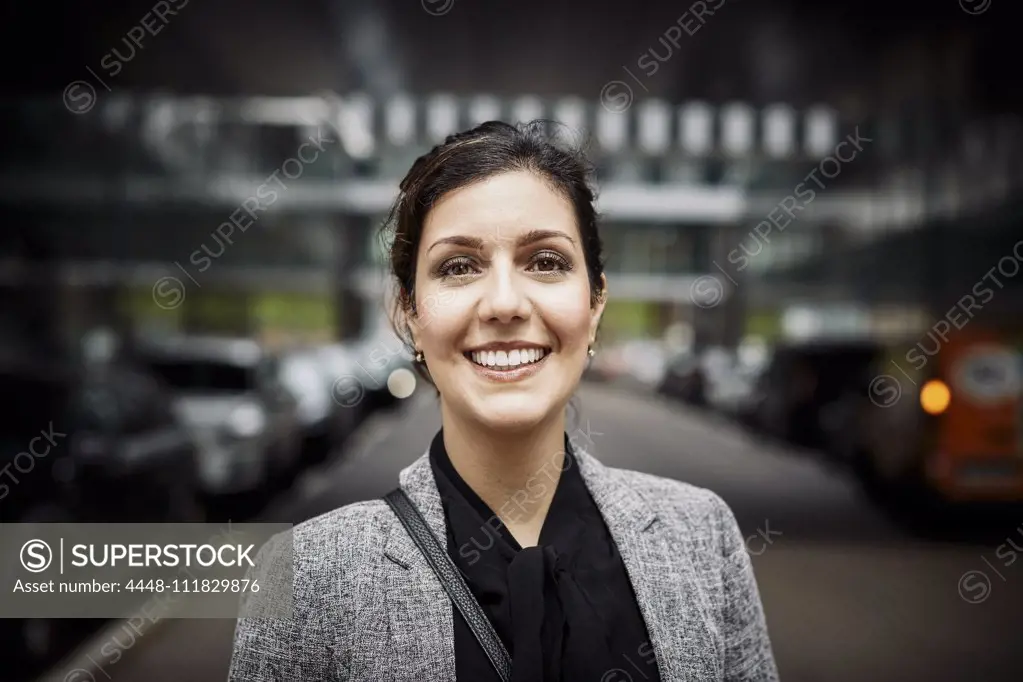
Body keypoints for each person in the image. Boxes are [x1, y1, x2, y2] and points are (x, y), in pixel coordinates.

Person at [228, 120, 779, 681]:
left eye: (545, 261)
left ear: (595, 304)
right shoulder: (306, 575)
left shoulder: (703, 536)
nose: (504, 303)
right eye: (459, 267)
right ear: (409, 315)